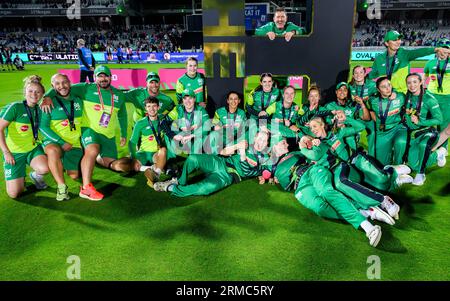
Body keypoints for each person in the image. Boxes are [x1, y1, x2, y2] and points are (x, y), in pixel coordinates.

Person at [273, 137, 394, 247]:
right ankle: (365, 210)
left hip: (312, 171)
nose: (286, 143)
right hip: (300, 187)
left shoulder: (295, 152)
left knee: (326, 192)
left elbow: (310, 146)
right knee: (320, 208)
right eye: (282, 142)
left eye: (285, 141)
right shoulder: (272, 167)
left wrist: (308, 140)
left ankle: (368, 227)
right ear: (273, 146)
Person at [42, 65, 130, 201]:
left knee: (113, 164)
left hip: (108, 134)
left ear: (111, 77)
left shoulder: (118, 94)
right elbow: (61, 87)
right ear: (94, 78)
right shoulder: (85, 88)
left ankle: (90, 160)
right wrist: (47, 96)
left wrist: (124, 134)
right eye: (99, 76)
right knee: (92, 150)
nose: (103, 79)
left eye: (105, 75)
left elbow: (123, 115)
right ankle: (86, 188)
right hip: (89, 129)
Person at [152, 130, 273, 196]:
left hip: (226, 176)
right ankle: (179, 181)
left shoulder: (265, 160)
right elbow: (223, 151)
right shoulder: (246, 144)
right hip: (219, 162)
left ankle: (171, 187)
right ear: (255, 137)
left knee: (204, 189)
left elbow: (246, 171)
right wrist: (237, 146)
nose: (261, 142)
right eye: (260, 138)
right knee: (193, 158)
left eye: (264, 141)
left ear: (267, 144)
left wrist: (267, 176)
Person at [0, 75, 49, 198]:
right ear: (25, 92)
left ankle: (35, 176)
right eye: (30, 91)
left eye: (38, 92)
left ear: (42, 94)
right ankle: (19, 180)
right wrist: (6, 152)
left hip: (32, 149)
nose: (34, 94)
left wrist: (49, 98)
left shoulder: (40, 109)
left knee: (45, 169)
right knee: (15, 193)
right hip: (14, 153)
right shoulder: (15, 108)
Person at [39, 74, 84, 201]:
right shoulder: (48, 103)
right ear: (52, 87)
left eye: (64, 82)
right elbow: (42, 127)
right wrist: (61, 142)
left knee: (75, 175)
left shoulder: (78, 99)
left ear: (70, 83)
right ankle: (61, 186)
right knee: (53, 151)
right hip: (54, 141)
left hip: (74, 144)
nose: (62, 86)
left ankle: (60, 163)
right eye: (57, 84)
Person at [368, 30, 450, 94]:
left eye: (399, 39)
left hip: (404, 94)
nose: (398, 42)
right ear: (386, 43)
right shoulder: (379, 59)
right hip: (387, 94)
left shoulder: (404, 54)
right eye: (394, 40)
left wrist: (435, 49)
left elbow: (419, 52)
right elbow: (372, 75)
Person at [402, 73, 447, 185]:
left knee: (423, 146)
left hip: (428, 131)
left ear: (421, 82)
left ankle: (421, 174)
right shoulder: (407, 97)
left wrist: (420, 121)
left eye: (415, 82)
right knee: (414, 164)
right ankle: (438, 154)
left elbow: (439, 120)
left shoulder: (429, 99)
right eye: (409, 83)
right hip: (413, 134)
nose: (412, 85)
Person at [130, 97, 169, 188]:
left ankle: (156, 174)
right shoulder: (140, 123)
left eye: (154, 106)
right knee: (130, 163)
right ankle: (151, 168)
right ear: (146, 108)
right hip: (143, 153)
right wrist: (133, 156)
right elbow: (132, 142)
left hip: (155, 154)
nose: (152, 109)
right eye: (149, 106)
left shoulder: (163, 120)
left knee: (163, 150)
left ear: (158, 107)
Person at [368, 76, 408, 165]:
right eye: (383, 87)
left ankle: (400, 165)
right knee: (382, 164)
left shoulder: (400, 97)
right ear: (378, 89)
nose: (387, 88)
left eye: (389, 85)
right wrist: (379, 122)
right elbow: (370, 110)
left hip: (398, 128)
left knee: (401, 142)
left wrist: (395, 92)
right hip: (382, 132)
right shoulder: (373, 101)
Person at [164, 89, 211, 156]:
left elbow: (207, 125)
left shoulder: (200, 110)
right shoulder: (178, 109)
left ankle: (195, 158)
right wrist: (173, 136)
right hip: (182, 136)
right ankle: (172, 159)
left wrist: (192, 136)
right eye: (185, 99)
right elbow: (164, 122)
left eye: (190, 98)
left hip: (194, 137)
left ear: (194, 99)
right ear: (182, 100)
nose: (187, 101)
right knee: (168, 134)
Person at [424, 38, 450, 150]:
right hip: (431, 96)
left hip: (446, 97)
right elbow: (425, 76)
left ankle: (443, 148)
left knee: (443, 123)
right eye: (441, 49)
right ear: (437, 50)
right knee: (428, 121)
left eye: (446, 50)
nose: (443, 52)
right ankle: (426, 144)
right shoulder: (430, 63)